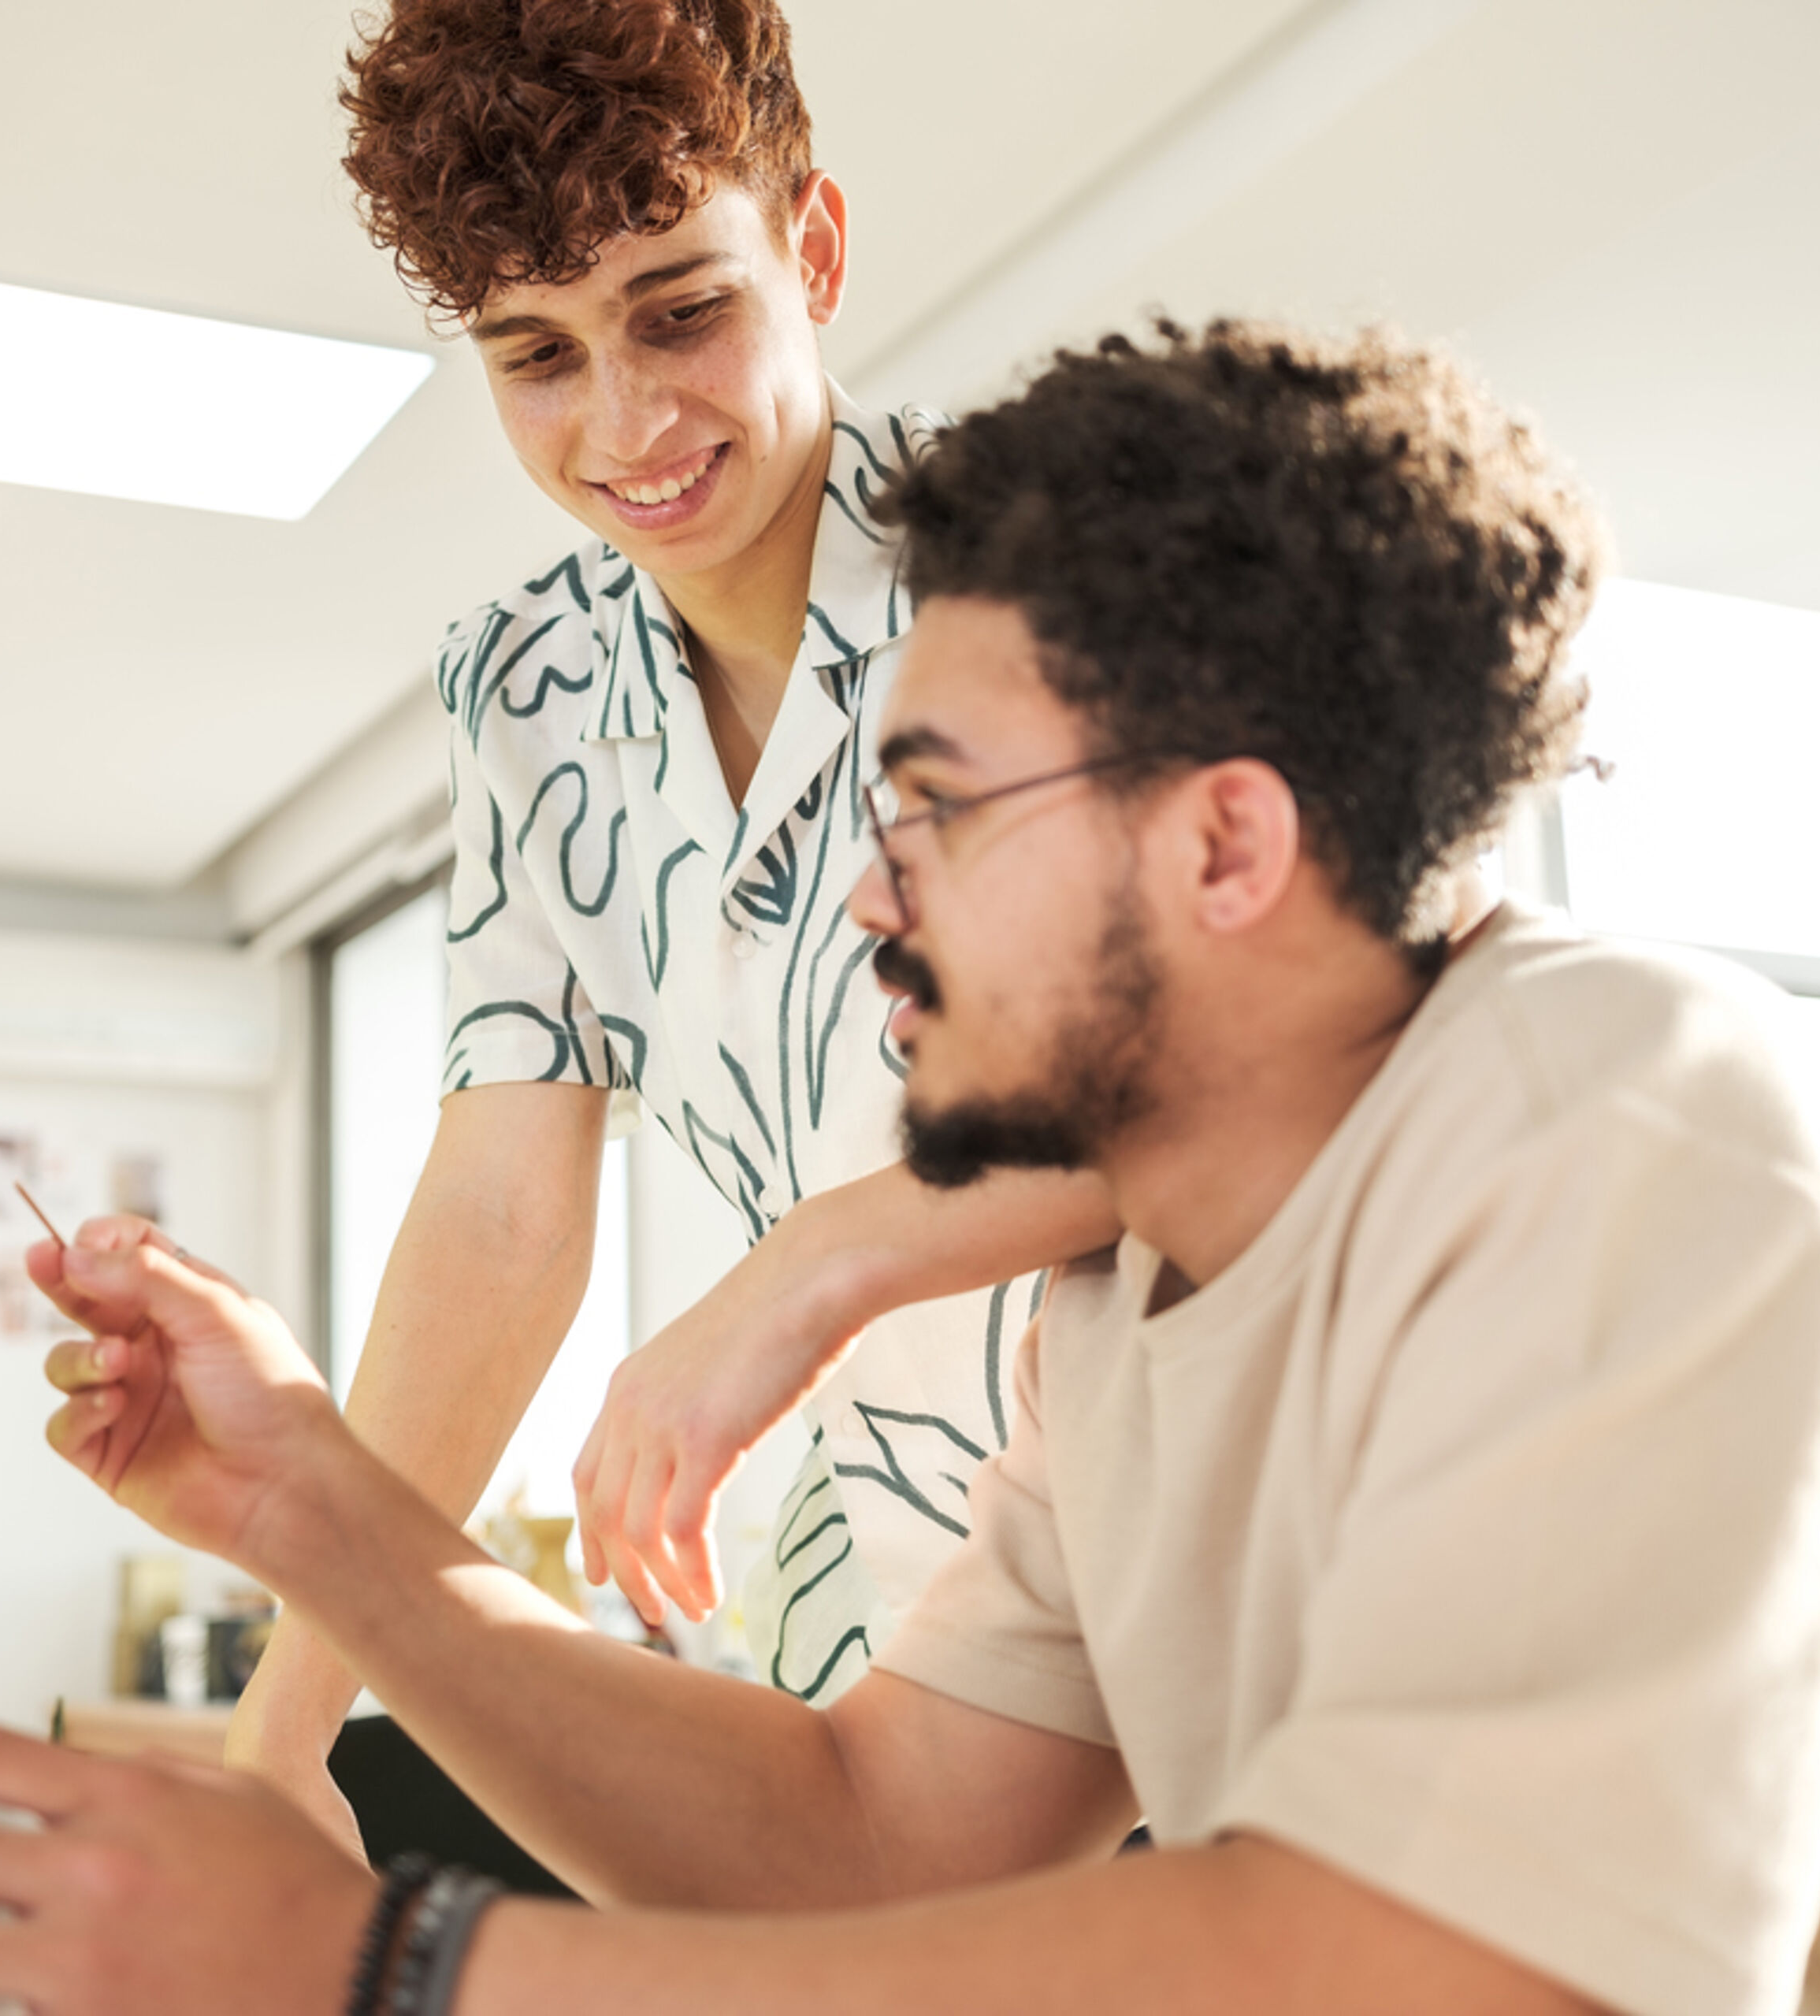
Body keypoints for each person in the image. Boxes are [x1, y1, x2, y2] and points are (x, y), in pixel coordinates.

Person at [0, 323, 1820, 2014]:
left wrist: (387, 1969)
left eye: (935, 806)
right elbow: (871, 1847)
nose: (871, 886)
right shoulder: (1134, 1305)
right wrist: (326, 1517)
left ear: (1229, 845)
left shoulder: (1633, 1124)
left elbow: (1425, 1978)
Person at [228, 0, 1118, 1846]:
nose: (628, 422)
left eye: (680, 308)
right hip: (825, 1675)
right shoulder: (525, 695)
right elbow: (499, 1209)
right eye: (535, 352)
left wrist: (805, 1265)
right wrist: (285, 1729)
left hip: (1143, 1611)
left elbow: (1225, 1083)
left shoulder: (1055, 561)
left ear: (815, 247)